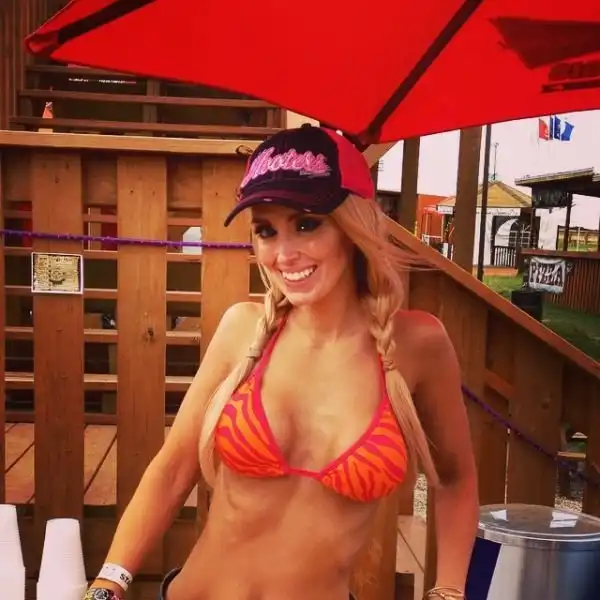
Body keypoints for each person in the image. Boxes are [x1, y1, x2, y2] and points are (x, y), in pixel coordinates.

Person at [83, 125, 478, 600]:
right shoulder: (244, 330)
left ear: (353, 227)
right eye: (266, 231)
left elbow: (456, 477)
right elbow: (172, 470)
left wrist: (448, 591)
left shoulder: (417, 345)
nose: (285, 254)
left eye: (307, 224)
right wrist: (107, 585)